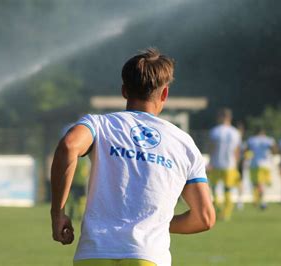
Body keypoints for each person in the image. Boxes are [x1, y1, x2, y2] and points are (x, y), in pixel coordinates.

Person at [50, 48, 215, 266]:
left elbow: (69, 145)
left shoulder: (100, 124)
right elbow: (205, 218)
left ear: (124, 91)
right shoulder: (183, 143)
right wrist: (155, 223)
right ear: (164, 94)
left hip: (95, 252)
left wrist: (57, 213)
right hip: (146, 255)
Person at [207, 108, 241, 220]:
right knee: (228, 189)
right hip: (230, 166)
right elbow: (237, 151)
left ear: (220, 117)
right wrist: (236, 165)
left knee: (214, 188)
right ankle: (226, 213)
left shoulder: (215, 131)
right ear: (230, 118)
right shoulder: (235, 132)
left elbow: (211, 148)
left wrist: (210, 162)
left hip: (216, 164)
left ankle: (218, 207)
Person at [246, 128, 276, 210]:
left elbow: (247, 150)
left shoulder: (252, 140)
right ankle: (260, 200)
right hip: (267, 165)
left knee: (257, 184)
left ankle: (262, 201)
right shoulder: (269, 139)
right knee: (262, 184)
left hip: (256, 164)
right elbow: (274, 149)